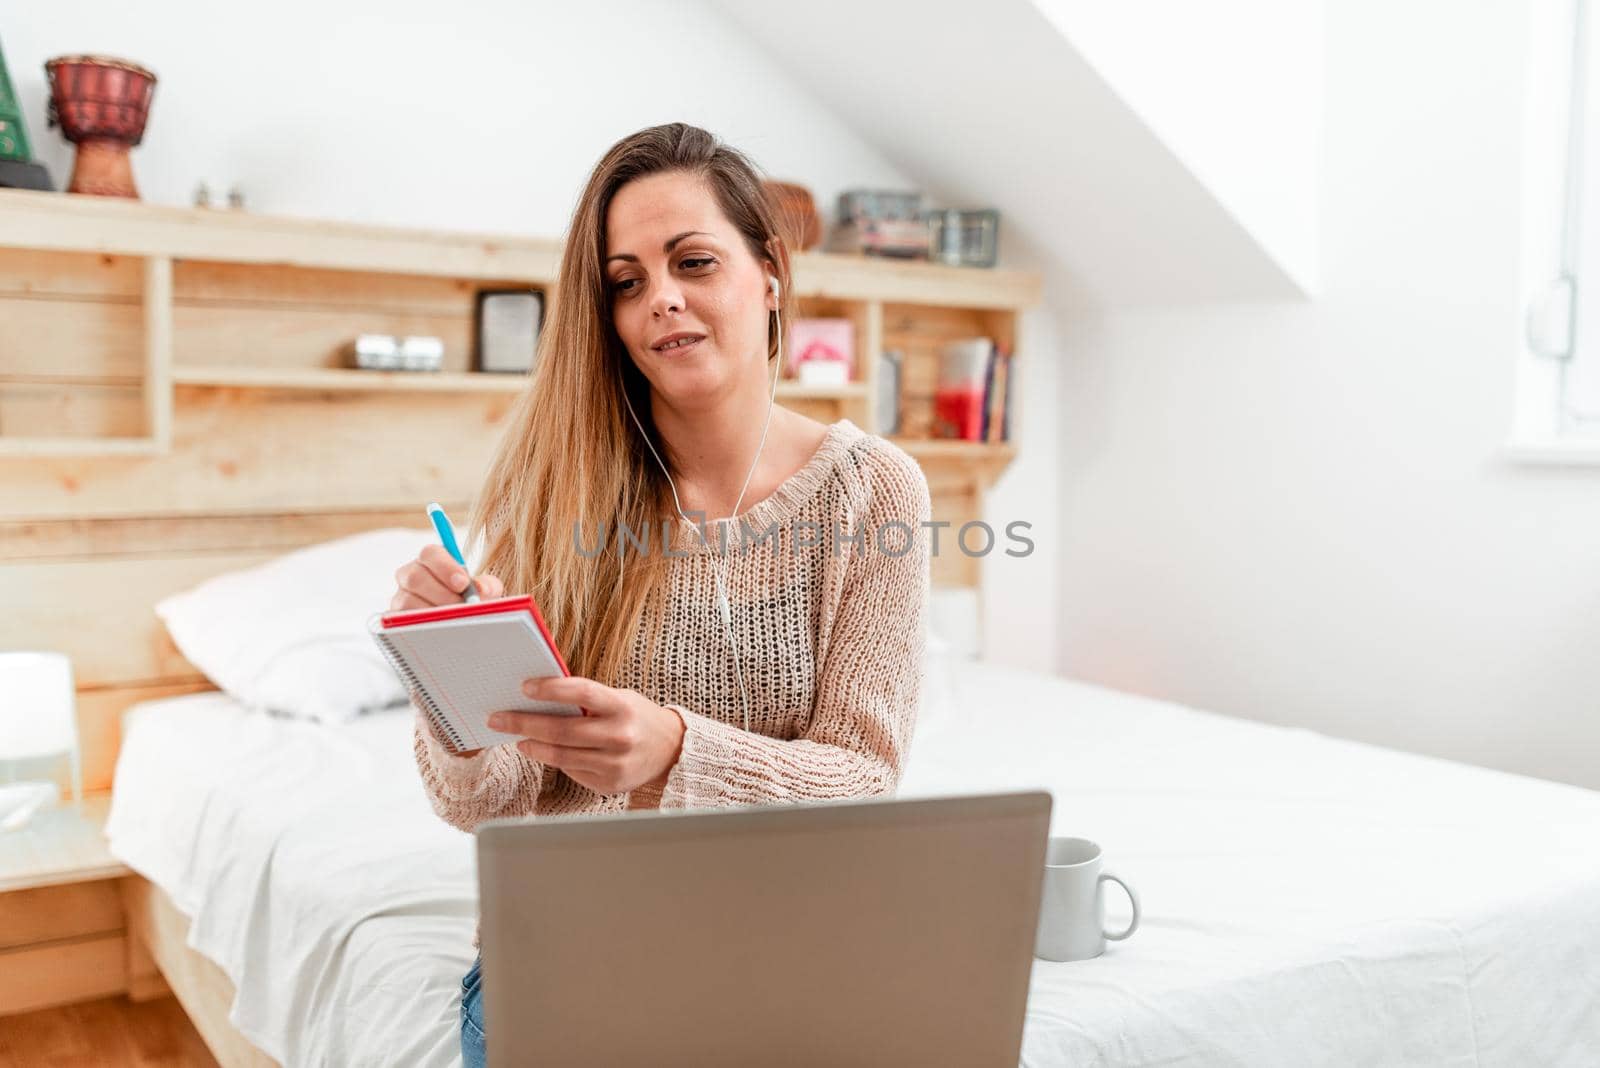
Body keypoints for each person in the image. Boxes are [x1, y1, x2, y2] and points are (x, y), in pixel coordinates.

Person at [389, 122, 931, 1068]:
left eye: (692, 261)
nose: (661, 301)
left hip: (786, 944)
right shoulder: (562, 493)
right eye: (626, 282)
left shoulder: (874, 490)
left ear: (768, 273)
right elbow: (491, 804)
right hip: (574, 947)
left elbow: (864, 779)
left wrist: (675, 752)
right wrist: (458, 676)